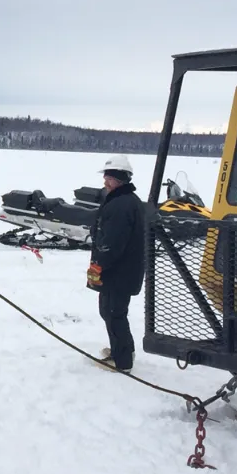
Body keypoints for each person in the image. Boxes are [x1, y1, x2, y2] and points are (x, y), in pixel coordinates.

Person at [86, 154, 146, 371]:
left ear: (119, 179)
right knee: (112, 311)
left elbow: (112, 244)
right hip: (123, 271)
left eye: (108, 177)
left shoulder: (121, 205)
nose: (105, 181)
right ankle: (123, 350)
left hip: (118, 272)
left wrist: (98, 266)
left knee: (113, 312)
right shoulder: (127, 201)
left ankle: (122, 362)